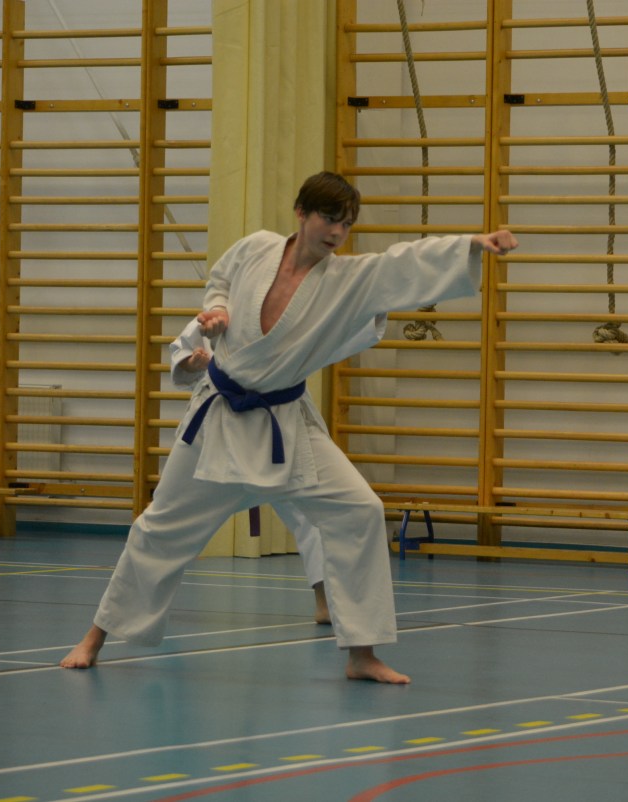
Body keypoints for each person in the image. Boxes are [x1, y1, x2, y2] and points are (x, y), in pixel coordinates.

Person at [61, 171, 519, 681]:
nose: (337, 232)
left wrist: (471, 244)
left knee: (361, 510)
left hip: (286, 424)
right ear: (301, 212)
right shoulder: (256, 248)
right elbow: (219, 282)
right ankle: (94, 637)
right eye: (329, 219)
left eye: (346, 225)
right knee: (160, 527)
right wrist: (216, 314)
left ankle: (362, 654)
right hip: (218, 420)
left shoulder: (346, 280)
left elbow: (401, 263)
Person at [170, 319, 332, 624]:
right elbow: (184, 355)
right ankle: (152, 597)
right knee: (175, 519)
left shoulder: (295, 312)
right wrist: (192, 364)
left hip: (281, 427)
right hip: (224, 429)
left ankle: (325, 601)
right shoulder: (221, 311)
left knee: (312, 518)